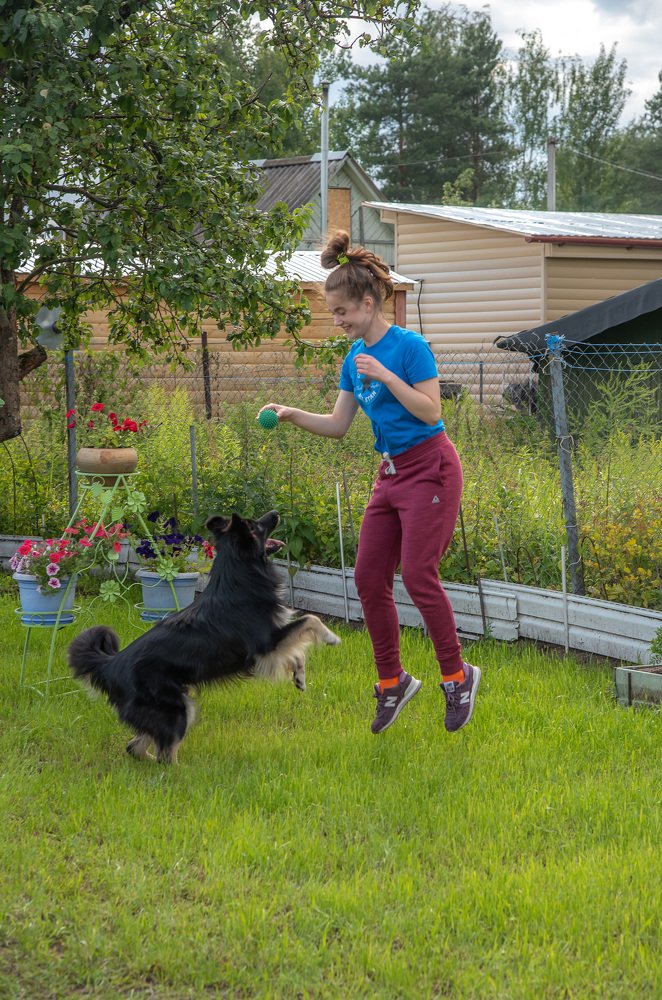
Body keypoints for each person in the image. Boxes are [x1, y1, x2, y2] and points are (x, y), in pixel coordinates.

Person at [258, 231, 481, 735]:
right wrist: (292, 414)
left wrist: (386, 375)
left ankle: (457, 676)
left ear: (367, 302)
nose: (337, 322)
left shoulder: (409, 347)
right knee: (367, 577)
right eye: (333, 314)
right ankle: (392, 682)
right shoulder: (353, 360)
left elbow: (431, 412)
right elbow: (338, 425)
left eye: (341, 312)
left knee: (419, 575)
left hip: (432, 467)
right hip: (392, 473)